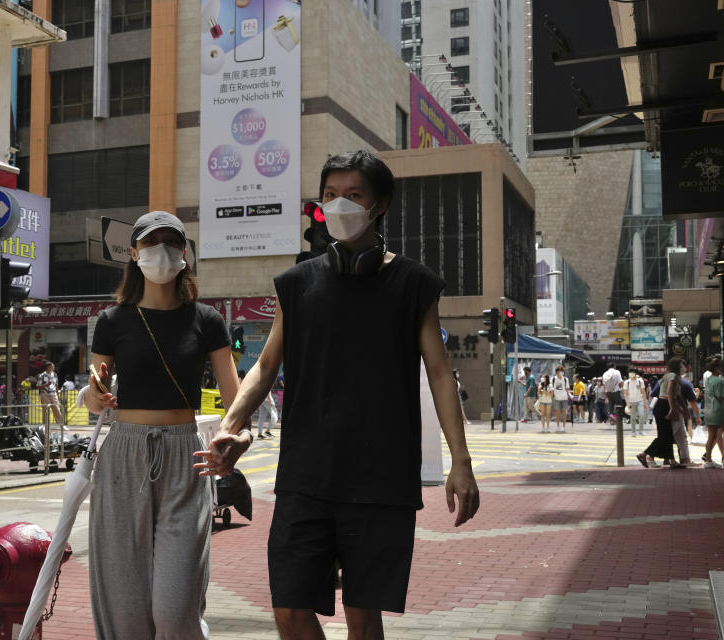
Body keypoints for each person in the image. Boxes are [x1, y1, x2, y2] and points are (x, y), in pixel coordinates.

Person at [194, 151, 480, 640]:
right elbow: (265, 366)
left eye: (353, 195)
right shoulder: (297, 284)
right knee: (289, 610)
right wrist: (230, 428)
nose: (339, 205)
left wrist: (461, 461)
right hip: (306, 477)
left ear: (380, 205)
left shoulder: (415, 284)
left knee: (364, 617)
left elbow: (438, 370)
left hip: (381, 480)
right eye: (329, 195)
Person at [82, 210, 240, 639]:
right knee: (127, 612)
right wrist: (94, 396)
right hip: (123, 455)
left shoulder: (207, 320)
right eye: (151, 244)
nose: (162, 252)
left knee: (175, 610)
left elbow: (235, 397)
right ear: (133, 254)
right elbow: (94, 392)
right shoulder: (111, 321)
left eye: (172, 243)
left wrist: (236, 436)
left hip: (186, 457)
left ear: (185, 254)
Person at [639, 358, 686, 469]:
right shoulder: (673, 376)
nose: (684, 367)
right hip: (664, 404)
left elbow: (677, 395)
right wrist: (672, 408)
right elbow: (669, 391)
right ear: (677, 366)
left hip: (662, 404)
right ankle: (644, 454)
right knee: (665, 436)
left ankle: (672, 461)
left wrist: (684, 408)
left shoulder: (670, 375)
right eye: (682, 365)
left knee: (668, 435)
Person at [702, 358, 724, 468]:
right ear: (717, 368)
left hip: (709, 410)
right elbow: (720, 396)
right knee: (713, 436)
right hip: (717, 411)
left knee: (711, 436)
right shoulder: (719, 381)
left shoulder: (710, 379)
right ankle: (709, 460)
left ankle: (708, 459)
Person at [622, 369, 648, 437]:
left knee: (641, 415)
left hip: (640, 400)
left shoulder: (640, 381)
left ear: (635, 373)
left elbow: (643, 392)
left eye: (632, 372)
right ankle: (633, 432)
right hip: (631, 402)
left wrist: (645, 403)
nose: (631, 374)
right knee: (633, 417)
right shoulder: (626, 382)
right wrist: (627, 403)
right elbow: (625, 394)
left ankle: (641, 430)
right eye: (630, 372)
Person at [36, 362, 63, 426]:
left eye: (53, 366)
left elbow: (56, 385)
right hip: (44, 394)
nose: (53, 368)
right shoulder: (42, 375)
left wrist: (58, 394)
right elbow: (38, 386)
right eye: (52, 366)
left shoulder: (55, 375)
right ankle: (45, 425)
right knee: (45, 410)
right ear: (48, 367)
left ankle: (60, 424)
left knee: (57, 409)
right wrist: (46, 385)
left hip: (53, 394)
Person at [551, 366, 569, 433]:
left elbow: (567, 388)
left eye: (562, 371)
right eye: (559, 371)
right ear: (556, 372)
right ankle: (558, 426)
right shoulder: (553, 379)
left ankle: (564, 427)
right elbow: (552, 388)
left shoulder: (565, 379)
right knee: (557, 413)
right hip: (557, 398)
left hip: (564, 397)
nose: (561, 372)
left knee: (564, 412)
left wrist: (570, 395)